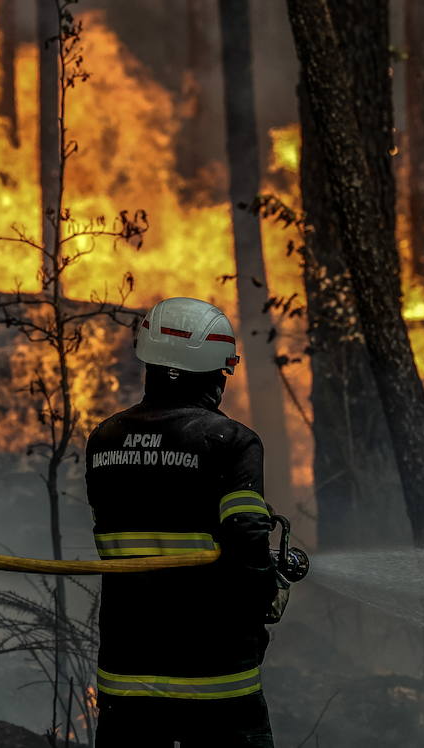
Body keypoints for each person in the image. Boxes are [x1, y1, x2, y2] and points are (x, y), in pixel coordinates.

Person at [85, 297, 278, 747]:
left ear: (148, 359)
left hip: (128, 673)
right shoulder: (232, 442)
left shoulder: (104, 439)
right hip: (215, 675)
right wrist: (267, 591)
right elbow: (248, 540)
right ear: (217, 371)